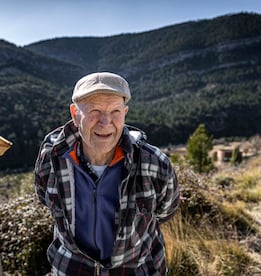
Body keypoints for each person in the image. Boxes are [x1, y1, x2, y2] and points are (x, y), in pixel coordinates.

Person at [34, 72, 180, 275]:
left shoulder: (154, 164)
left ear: (125, 113)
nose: (105, 122)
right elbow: (44, 198)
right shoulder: (51, 157)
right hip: (71, 270)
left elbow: (166, 211)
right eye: (94, 110)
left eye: (115, 111)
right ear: (75, 115)